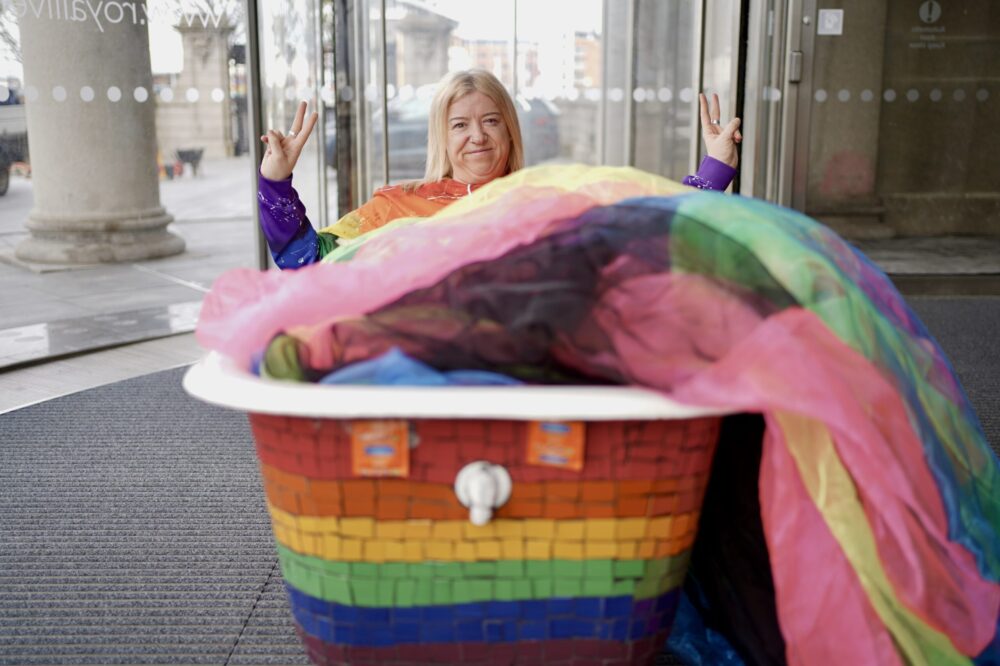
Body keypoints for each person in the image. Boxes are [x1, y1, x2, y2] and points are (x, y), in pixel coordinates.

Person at [257, 69, 742, 270]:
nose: (478, 136)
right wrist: (276, 181)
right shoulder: (397, 204)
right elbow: (304, 261)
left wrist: (715, 168)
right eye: (461, 125)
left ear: (510, 131)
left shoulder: (547, 195)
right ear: (443, 138)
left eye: (491, 121)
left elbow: (649, 231)